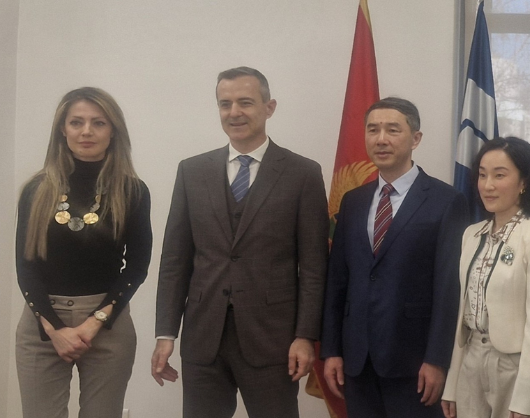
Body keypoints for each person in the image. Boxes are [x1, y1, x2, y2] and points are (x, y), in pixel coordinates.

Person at [151, 66, 329, 418]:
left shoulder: (303, 173)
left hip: (273, 339)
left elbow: (313, 266)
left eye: (245, 102)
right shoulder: (192, 171)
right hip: (204, 336)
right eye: (225, 104)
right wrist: (165, 333)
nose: (234, 112)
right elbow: (175, 260)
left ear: (269, 107)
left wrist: (305, 335)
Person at [321, 97, 469, 417]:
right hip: (357, 360)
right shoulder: (353, 201)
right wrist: (331, 350)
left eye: (392, 130)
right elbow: (337, 281)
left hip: (414, 363)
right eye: (373, 130)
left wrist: (438, 359)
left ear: (415, 138)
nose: (381, 139)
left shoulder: (446, 201)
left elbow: (449, 289)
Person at [15, 87, 152, 418]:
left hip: (107, 323)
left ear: (113, 130)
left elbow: (137, 266)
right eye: (76, 122)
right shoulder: (36, 189)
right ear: (62, 130)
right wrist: (54, 329)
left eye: (98, 123)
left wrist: (95, 322)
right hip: (42, 323)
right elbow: (26, 266)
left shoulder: (132, 191)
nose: (86, 131)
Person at [440, 137, 530, 418]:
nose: (488, 185)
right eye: (482, 175)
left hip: (512, 367)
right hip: (471, 360)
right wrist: (452, 385)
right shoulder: (471, 235)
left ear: (524, 182)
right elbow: (463, 315)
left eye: (499, 175)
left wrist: (527, 399)